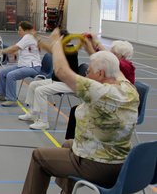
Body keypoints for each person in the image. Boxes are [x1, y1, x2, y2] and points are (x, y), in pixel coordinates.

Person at [21, 28, 139, 194]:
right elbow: (113, 67)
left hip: (99, 166)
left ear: (100, 73)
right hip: (120, 162)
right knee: (68, 144)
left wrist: (56, 43)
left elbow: (62, 71)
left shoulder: (99, 92)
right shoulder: (128, 87)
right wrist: (93, 45)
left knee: (39, 157)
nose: (86, 74)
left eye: (88, 71)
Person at [65, 37, 135, 140]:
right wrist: (94, 44)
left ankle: (76, 143)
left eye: (113, 53)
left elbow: (106, 58)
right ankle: (74, 142)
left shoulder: (126, 66)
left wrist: (95, 44)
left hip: (117, 103)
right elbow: (103, 58)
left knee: (79, 111)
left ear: (121, 56)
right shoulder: (119, 64)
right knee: (78, 109)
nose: (110, 54)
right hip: (110, 97)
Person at [18, 30, 79, 130]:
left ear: (62, 38)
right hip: (56, 81)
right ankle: (32, 113)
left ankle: (44, 122)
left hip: (67, 84)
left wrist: (39, 39)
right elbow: (51, 49)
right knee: (33, 84)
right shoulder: (63, 48)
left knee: (40, 91)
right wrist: (38, 38)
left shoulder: (70, 50)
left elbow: (51, 49)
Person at [0, 21, 41, 106]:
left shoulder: (28, 37)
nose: (18, 32)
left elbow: (15, 47)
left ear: (26, 30)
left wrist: (1, 51)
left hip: (32, 67)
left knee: (11, 75)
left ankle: (12, 99)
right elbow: (18, 47)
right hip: (23, 65)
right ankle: (1, 94)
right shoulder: (27, 37)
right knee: (3, 72)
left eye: (20, 30)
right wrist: (15, 51)